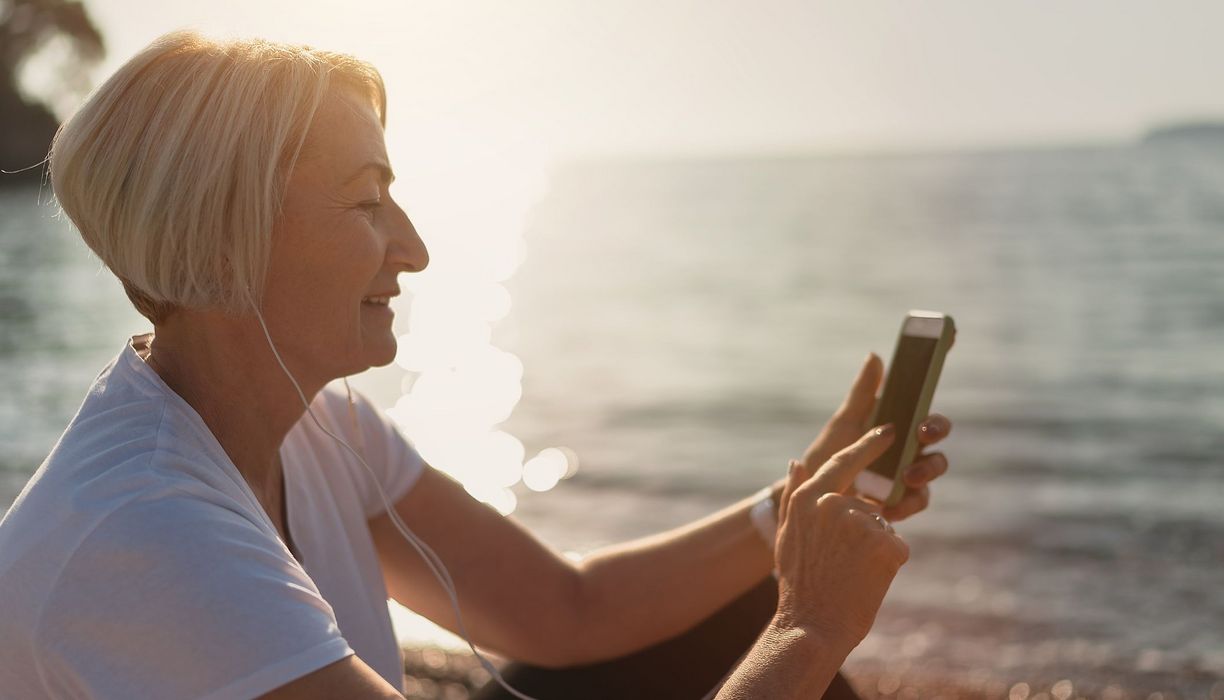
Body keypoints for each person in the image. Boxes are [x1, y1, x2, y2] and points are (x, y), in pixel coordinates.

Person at [0, 31, 952, 700]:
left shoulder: (313, 422)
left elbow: (566, 611)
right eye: (366, 203)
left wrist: (788, 514)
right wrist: (812, 628)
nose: (412, 249)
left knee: (730, 618)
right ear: (220, 247)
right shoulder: (145, 535)